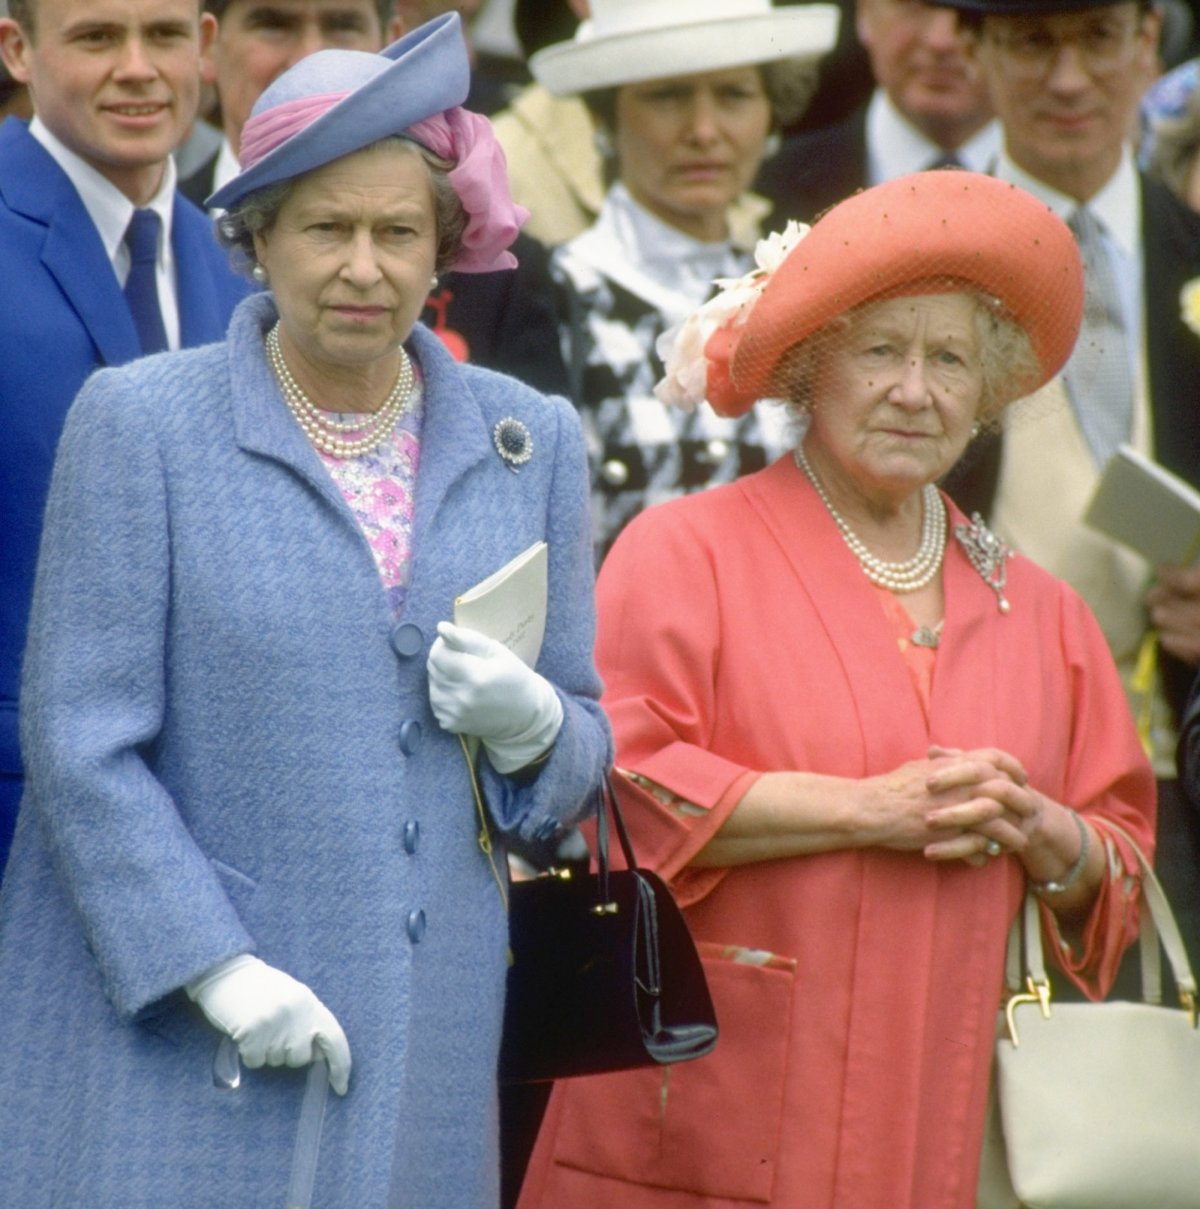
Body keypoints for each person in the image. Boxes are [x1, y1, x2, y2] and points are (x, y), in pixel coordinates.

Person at [0, 15, 611, 1207]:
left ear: (447, 250)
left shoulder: (528, 439)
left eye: (399, 234)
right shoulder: (143, 425)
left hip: (429, 1033)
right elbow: (81, 742)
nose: (364, 267)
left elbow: (578, 747)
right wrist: (212, 965)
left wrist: (538, 727)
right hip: (183, 1031)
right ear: (255, 238)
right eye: (326, 229)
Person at [517, 170, 1157, 1209]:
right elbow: (608, 793)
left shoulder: (1043, 612)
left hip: (938, 1131)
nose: (917, 389)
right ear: (812, 369)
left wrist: (1044, 831)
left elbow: (1120, 858)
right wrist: (872, 809)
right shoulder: (685, 552)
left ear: (988, 392)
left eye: (950, 358)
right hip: (709, 1122)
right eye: (880, 351)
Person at [939, 0, 1200, 972]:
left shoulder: (1194, 245)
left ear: (1147, 41)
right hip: (960, 773)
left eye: (1096, 38)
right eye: (1033, 41)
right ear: (974, 48)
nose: (1067, 79)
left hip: (1174, 776)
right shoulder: (911, 262)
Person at [0, 0, 249, 875]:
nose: (138, 67)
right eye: (98, 37)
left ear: (206, 48)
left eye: (166, 35)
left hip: (214, 837)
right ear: (17, 49)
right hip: (17, 825)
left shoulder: (240, 260)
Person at [527, 0, 839, 558]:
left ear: (770, 112)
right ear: (604, 118)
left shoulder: (804, 298)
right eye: (666, 95)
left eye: (733, 95)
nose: (703, 131)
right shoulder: (550, 297)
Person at [758, 0, 1002, 222]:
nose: (941, 40)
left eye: (969, 13)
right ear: (864, 13)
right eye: (914, 5)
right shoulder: (763, 188)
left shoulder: (1039, 190)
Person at [179, 0, 402, 205]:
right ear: (208, 46)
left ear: (394, 45)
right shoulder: (158, 233)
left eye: (342, 27)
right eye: (274, 26)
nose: (309, 58)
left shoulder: (433, 234)